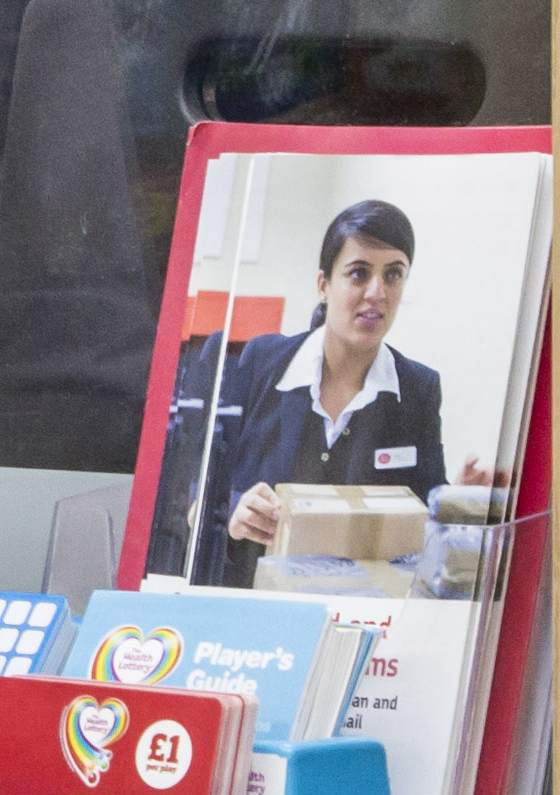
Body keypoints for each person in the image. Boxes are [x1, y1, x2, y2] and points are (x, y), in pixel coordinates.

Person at [151, 196, 451, 589]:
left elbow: (428, 518)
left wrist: (461, 504)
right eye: (359, 274)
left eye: (393, 275)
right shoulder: (256, 362)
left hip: (358, 609)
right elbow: (183, 490)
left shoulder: (418, 388)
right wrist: (230, 509)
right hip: (248, 598)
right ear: (324, 285)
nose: (377, 292)